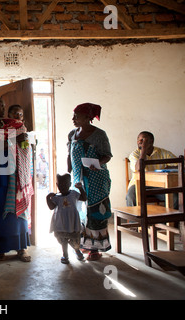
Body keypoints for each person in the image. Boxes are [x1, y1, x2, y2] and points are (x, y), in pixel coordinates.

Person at [0, 97, 32, 262]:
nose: (3, 107)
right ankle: (0, 248)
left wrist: (25, 142)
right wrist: (13, 140)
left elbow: (24, 146)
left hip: (15, 173)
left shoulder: (15, 125)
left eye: (3, 104)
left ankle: (21, 248)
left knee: (17, 210)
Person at [67, 102, 112, 260]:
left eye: (76, 116)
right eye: (73, 116)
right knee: (80, 211)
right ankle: (85, 244)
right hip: (78, 179)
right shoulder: (72, 134)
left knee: (95, 211)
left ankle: (96, 249)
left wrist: (97, 164)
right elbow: (69, 153)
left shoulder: (99, 135)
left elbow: (107, 155)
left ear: (87, 118)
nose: (73, 119)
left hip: (96, 179)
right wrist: (69, 169)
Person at [126, 131, 178, 207]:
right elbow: (139, 169)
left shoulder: (162, 152)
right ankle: (134, 219)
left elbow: (179, 164)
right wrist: (143, 150)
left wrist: (168, 167)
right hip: (138, 184)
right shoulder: (135, 154)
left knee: (175, 197)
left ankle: (171, 218)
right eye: (138, 139)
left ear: (151, 141)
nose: (140, 142)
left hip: (159, 185)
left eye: (143, 139)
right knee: (131, 196)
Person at [46, 173, 86, 264]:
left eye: (65, 184)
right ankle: (65, 254)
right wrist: (48, 198)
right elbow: (51, 207)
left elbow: (84, 198)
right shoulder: (56, 197)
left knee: (75, 239)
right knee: (62, 239)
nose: (62, 187)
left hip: (72, 222)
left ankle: (76, 250)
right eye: (60, 185)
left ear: (70, 184)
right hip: (61, 223)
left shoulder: (73, 194)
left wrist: (80, 188)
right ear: (57, 185)